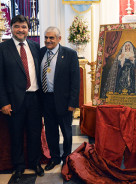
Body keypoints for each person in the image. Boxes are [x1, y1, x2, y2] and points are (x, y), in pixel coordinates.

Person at [0, 15, 44, 182]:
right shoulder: (1, 49)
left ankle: (35, 163)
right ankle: (19, 166)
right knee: (16, 135)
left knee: (35, 134)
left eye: (24, 27)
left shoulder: (36, 47)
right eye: (17, 26)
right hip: (14, 101)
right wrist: (3, 102)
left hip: (35, 98)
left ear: (28, 29)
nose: (21, 30)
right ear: (11, 28)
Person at [40, 26, 80, 171]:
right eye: (46, 37)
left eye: (51, 37)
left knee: (66, 132)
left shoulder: (69, 54)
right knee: (51, 132)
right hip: (46, 100)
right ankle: (55, 158)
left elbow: (75, 81)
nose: (48, 40)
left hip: (64, 102)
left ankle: (67, 159)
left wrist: (72, 103)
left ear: (59, 39)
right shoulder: (41, 52)